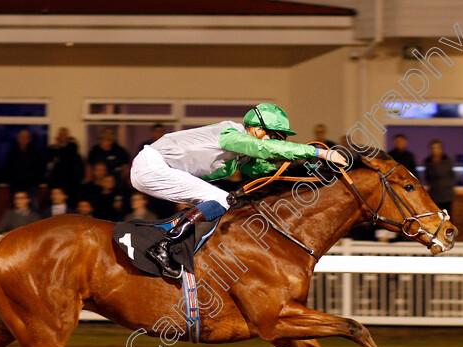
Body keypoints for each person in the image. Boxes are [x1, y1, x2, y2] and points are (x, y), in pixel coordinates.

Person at [131, 103, 347, 278]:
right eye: (277, 136)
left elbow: (267, 170)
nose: (278, 142)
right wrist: (317, 152)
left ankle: (177, 249)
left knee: (215, 204)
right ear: (258, 129)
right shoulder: (233, 135)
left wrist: (308, 170)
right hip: (152, 165)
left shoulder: (240, 152)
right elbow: (265, 149)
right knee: (221, 198)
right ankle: (164, 245)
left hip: (157, 168)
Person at [3, 129, 44, 205]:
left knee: (33, 205)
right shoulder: (12, 151)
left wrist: (36, 180)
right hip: (16, 185)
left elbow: (40, 167)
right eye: (21, 137)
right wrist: (10, 181)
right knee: (17, 206)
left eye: (26, 137)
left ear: (29, 139)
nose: (23, 139)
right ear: (18, 139)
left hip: (32, 185)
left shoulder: (35, 151)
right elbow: (8, 167)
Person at [46, 127, 84, 198]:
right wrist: (57, 146)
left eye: (64, 134)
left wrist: (59, 154)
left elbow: (68, 159)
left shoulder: (72, 147)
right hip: (57, 180)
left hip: (70, 181)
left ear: (68, 136)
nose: (62, 136)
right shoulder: (52, 148)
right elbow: (49, 159)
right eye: (61, 134)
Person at [423, 139, 456, 214]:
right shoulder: (428, 162)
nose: (435, 150)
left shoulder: (447, 161)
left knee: (447, 217)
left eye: (437, 148)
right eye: (433, 148)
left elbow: (452, 176)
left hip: (446, 195)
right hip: (434, 195)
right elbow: (427, 177)